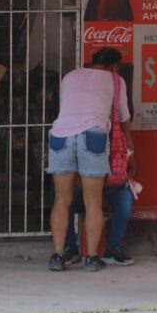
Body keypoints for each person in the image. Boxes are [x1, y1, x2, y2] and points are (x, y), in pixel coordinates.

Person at [46, 47, 133, 272]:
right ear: (115, 66)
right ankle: (92, 257)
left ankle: (58, 256)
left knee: (61, 199)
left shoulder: (70, 76)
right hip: (92, 134)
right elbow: (123, 118)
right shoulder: (116, 80)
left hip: (60, 134)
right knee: (93, 201)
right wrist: (129, 144)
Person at [61, 178, 136, 267]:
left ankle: (113, 248)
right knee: (63, 199)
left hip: (111, 188)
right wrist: (96, 197)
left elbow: (132, 166)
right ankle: (69, 247)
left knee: (126, 196)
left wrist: (123, 179)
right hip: (85, 188)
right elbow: (73, 176)